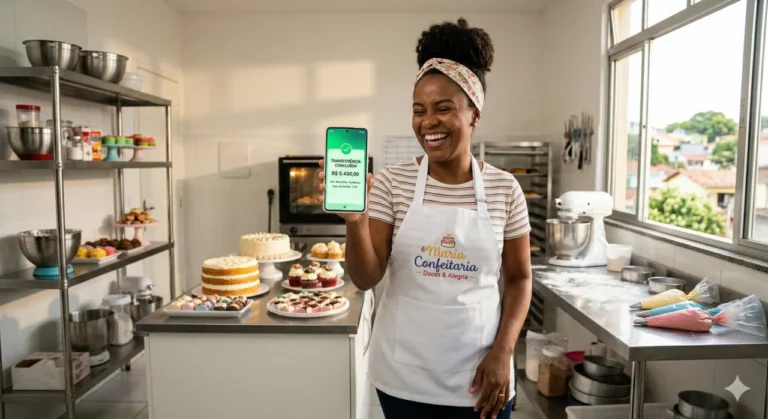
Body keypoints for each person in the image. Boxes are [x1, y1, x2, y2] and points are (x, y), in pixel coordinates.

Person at [318, 17, 532, 419]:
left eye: (443, 108)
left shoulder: (506, 189)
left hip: (481, 378)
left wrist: (504, 353)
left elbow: (520, 278)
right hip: (403, 378)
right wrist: (355, 221)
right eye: (419, 110)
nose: (427, 121)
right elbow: (366, 278)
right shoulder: (391, 183)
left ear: (474, 115)